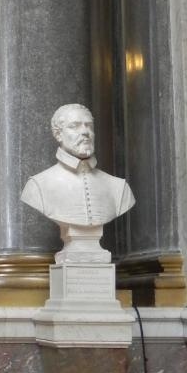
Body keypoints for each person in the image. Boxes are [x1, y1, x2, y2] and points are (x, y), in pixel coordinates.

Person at [21, 103, 135, 262]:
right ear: (58, 134)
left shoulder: (119, 187)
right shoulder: (38, 185)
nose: (85, 132)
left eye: (89, 126)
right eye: (74, 126)